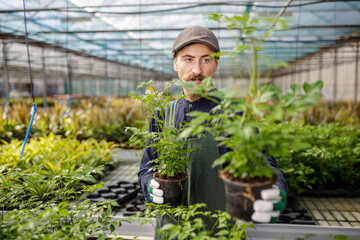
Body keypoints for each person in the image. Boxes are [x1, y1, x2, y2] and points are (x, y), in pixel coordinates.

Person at [138, 26, 287, 223]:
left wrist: (276, 188)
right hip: (170, 230)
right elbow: (147, 166)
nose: (197, 70)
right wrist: (149, 184)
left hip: (221, 230)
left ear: (216, 64)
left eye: (206, 60)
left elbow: (261, 161)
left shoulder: (236, 113)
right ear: (175, 63)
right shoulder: (162, 114)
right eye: (188, 59)